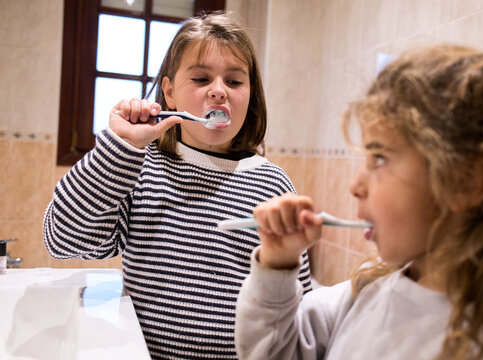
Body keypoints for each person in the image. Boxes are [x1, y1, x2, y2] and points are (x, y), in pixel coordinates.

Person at [234, 38, 483, 360]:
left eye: (378, 158)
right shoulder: (365, 291)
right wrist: (277, 265)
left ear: (466, 182)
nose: (354, 186)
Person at [43, 12, 312, 360]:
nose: (218, 91)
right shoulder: (141, 167)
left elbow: (297, 301)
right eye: (201, 78)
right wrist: (120, 148)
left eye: (234, 81)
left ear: (251, 94)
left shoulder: (272, 184)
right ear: (169, 92)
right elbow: (63, 240)